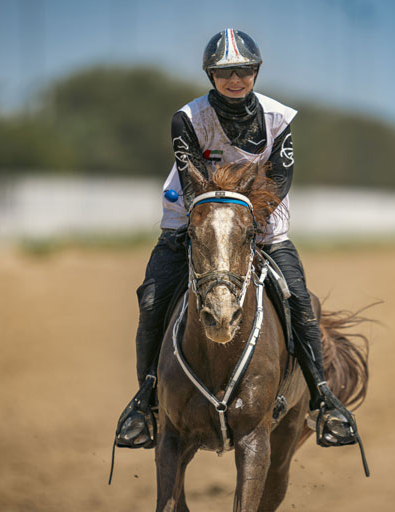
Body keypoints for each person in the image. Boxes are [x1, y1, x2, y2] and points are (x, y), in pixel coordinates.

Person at [115, 28, 359, 450]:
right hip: (190, 226)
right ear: (211, 75)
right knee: (153, 299)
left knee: (299, 297)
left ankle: (323, 399)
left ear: (256, 72)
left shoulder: (278, 119)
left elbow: (280, 180)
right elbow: (191, 185)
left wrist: (245, 224)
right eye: (225, 72)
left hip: (260, 229)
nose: (235, 79)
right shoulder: (187, 120)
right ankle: (146, 403)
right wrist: (214, 223)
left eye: (244, 70)